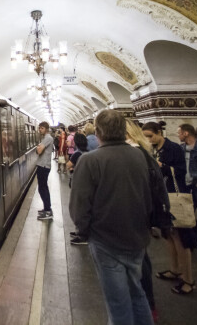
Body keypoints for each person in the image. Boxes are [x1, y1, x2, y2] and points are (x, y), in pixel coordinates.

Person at [70, 110, 154, 325]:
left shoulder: (90, 160)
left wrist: (84, 230)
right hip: (137, 237)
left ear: (98, 132)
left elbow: (79, 204)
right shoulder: (140, 155)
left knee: (117, 302)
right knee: (137, 292)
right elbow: (153, 192)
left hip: (106, 239)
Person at [142, 121, 197, 296]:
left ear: (159, 132)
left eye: (150, 136)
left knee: (182, 238)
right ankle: (175, 269)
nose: (148, 140)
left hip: (176, 195)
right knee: (169, 235)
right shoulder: (153, 150)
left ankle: (188, 279)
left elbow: (183, 171)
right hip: (163, 197)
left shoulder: (173, 148)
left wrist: (163, 167)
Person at [126, 120, 166, 322]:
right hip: (141, 216)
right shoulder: (144, 153)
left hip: (135, 216)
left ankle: (147, 308)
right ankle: (147, 307)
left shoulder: (135, 155)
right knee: (140, 260)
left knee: (139, 263)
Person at [35, 122, 55, 221]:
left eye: (42, 128)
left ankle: (48, 211)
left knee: (43, 188)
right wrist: (39, 147)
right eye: (39, 128)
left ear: (46, 129)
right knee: (42, 188)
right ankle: (46, 208)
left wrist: (38, 147)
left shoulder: (48, 138)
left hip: (43, 166)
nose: (40, 130)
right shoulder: (46, 138)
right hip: (42, 165)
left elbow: (38, 151)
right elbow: (39, 149)